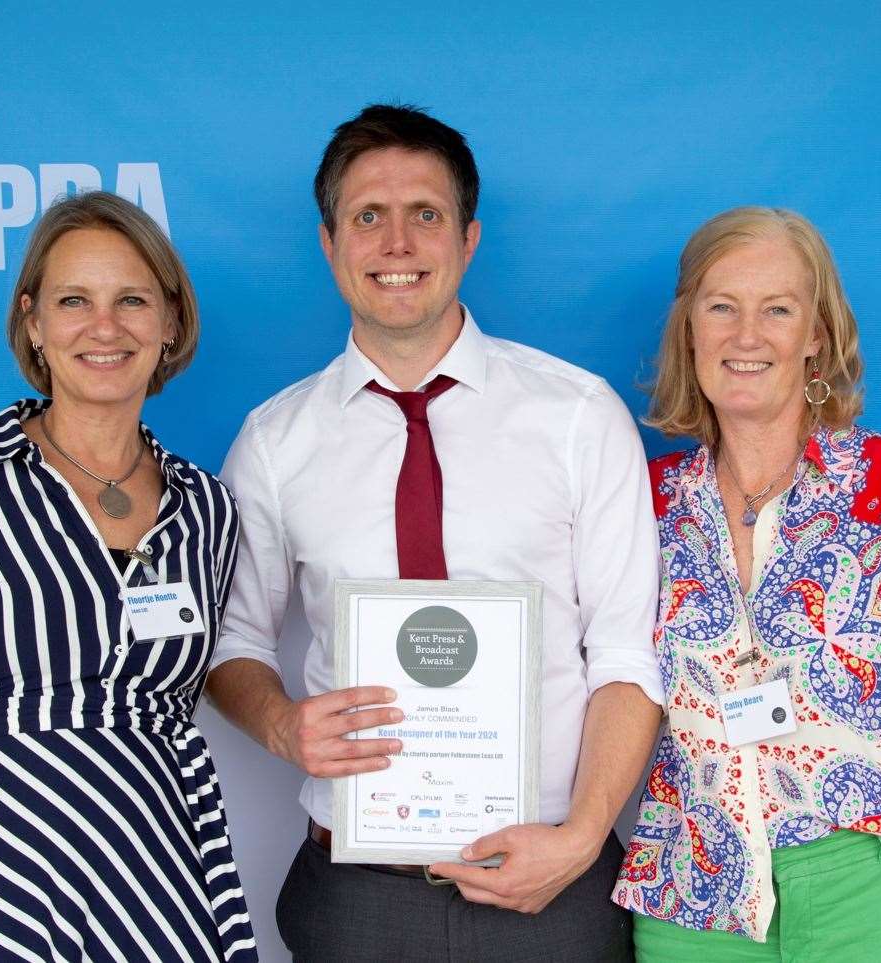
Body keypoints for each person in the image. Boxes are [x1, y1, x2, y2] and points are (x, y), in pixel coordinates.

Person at [206, 104, 665, 962]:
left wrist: (584, 834)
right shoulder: (275, 441)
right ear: (330, 243)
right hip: (357, 895)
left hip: (553, 888)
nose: (397, 243)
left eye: (426, 213)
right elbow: (232, 638)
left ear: (469, 237)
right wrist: (280, 725)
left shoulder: (577, 415)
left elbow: (626, 652)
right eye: (367, 216)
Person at [0, 191, 257, 962]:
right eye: (75, 300)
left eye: (131, 299)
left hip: (154, 857)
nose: (105, 327)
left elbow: (188, 685)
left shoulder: (207, 507)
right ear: (34, 320)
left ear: (170, 321)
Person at [611, 207, 881, 962]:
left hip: (864, 883)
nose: (747, 334)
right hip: (692, 896)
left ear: (817, 335)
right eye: (721, 306)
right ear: (689, 328)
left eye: (778, 309)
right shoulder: (645, 504)